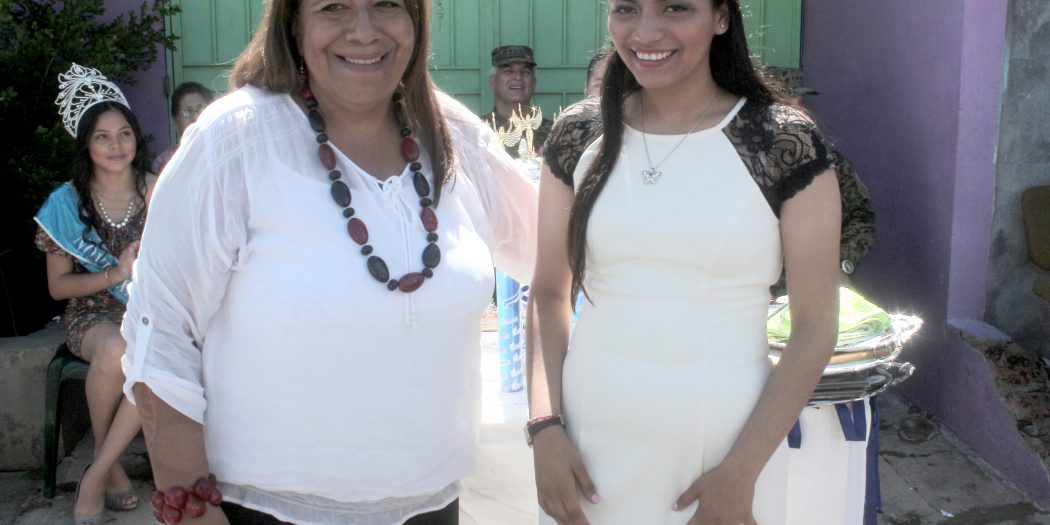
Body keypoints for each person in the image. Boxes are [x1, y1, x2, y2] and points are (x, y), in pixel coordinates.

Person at [120, 1, 537, 524]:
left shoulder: (450, 134)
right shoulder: (233, 141)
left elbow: (561, 257)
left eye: (386, 4)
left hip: (432, 505)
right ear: (295, 22)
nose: (363, 31)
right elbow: (160, 336)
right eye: (334, 6)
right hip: (264, 510)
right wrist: (192, 512)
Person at [527, 1, 842, 524]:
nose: (646, 31)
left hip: (726, 454)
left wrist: (740, 473)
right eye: (626, 8)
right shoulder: (578, 133)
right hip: (586, 446)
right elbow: (548, 293)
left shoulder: (781, 141)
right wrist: (544, 427)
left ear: (721, 17)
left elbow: (815, 326)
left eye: (676, 7)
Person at [38, 63, 157, 524]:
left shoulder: (157, 190)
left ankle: (98, 471)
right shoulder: (66, 203)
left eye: (124, 134)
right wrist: (115, 273)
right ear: (86, 144)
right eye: (102, 137)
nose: (116, 145)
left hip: (151, 309)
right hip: (91, 312)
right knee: (118, 351)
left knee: (155, 352)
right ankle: (107, 470)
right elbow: (58, 287)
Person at [480, 45, 553, 159]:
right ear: (492, 81)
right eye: (508, 71)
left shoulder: (553, 133)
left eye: (525, 72)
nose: (518, 77)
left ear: (534, 83)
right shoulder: (478, 130)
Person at [151, 81, 215, 174]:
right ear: (175, 121)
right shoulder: (165, 163)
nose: (195, 117)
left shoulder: (225, 153)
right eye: (187, 112)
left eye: (201, 109)